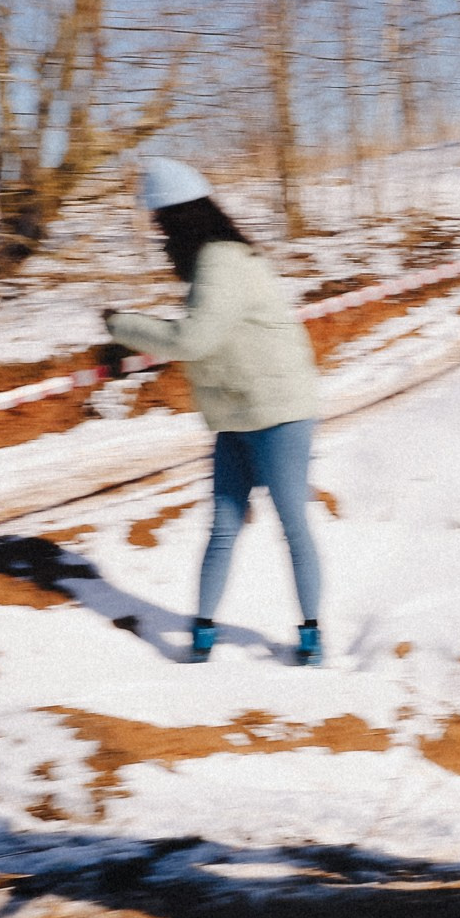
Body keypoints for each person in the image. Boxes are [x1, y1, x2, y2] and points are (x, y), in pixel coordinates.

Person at [105, 159, 325, 666]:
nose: (158, 236)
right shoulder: (212, 263)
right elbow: (209, 334)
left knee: (292, 525)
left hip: (279, 412)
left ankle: (312, 637)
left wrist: (122, 326)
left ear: (180, 218)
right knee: (222, 527)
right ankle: (201, 633)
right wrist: (132, 345)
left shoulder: (224, 260)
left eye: (160, 223)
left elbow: (195, 338)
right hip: (236, 416)